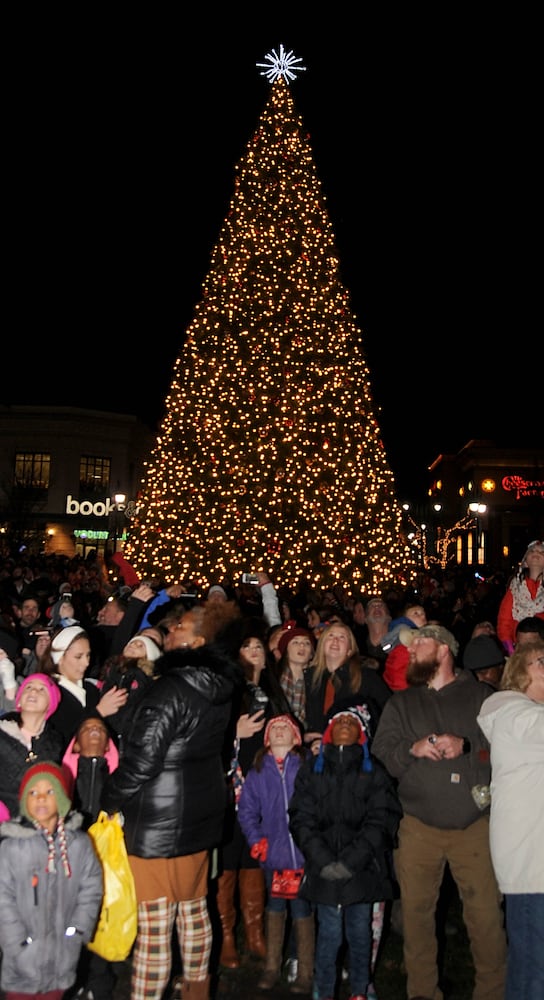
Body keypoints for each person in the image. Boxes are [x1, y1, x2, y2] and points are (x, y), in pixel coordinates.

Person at [101, 599, 244, 1000]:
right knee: (195, 911)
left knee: (154, 926)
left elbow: (141, 761)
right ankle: (197, 993)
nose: (169, 630)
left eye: (178, 626)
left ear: (198, 640)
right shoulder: (219, 686)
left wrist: (106, 801)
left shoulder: (171, 688)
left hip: (157, 823)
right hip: (199, 817)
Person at [372, 623, 507, 1000]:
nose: (412, 652)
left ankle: (493, 993)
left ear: (445, 650)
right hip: (417, 828)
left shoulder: (482, 696)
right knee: (416, 921)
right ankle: (422, 994)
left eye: (420, 645)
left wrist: (467, 746)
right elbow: (383, 753)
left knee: (485, 921)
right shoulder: (402, 702)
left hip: (474, 828)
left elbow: (504, 748)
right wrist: (410, 751)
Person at [289, 706, 401, 1000]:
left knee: (359, 933)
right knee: (329, 933)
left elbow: (382, 819)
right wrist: (323, 860)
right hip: (323, 869)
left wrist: (352, 861)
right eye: (340, 720)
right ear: (328, 730)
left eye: (353, 722)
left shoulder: (374, 772)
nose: (345, 725)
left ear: (362, 734)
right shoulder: (312, 769)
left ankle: (360, 990)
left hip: (362, 870)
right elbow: (301, 817)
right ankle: (323, 990)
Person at [215, 620, 295, 971]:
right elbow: (207, 731)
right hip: (232, 787)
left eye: (259, 647)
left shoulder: (274, 691)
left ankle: (255, 930)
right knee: (230, 859)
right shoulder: (228, 689)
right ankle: (227, 936)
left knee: (254, 857)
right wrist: (235, 730)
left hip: (266, 786)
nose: (254, 652)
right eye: (247, 646)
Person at [0, 760, 103, 1000]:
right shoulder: (12, 846)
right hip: (20, 961)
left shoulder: (79, 844)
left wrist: (77, 930)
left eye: (49, 791)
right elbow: (2, 896)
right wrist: (16, 941)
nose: (41, 798)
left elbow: (91, 889)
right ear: (25, 800)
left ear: (63, 800)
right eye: (33, 792)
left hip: (62, 957)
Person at [477, 639, 544, 999]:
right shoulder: (515, 715)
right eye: (540, 662)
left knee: (528, 964)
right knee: (536, 969)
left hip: (534, 862)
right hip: (533, 864)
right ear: (519, 672)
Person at [237, 714, 313, 994]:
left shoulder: (307, 767)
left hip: (304, 856)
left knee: (303, 910)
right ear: (267, 739)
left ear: (296, 737)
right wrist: (257, 841)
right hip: (274, 857)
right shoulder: (258, 772)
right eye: (275, 728)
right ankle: (271, 966)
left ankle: (305, 971)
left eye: (286, 728)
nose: (280, 731)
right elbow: (246, 811)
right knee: (275, 907)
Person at [63, 715, 122, 1000]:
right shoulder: (63, 779)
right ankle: (73, 981)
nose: (95, 731)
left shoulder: (121, 779)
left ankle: (99, 985)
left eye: (100, 729)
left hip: (107, 863)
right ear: (75, 745)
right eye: (87, 728)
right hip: (70, 862)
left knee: (101, 919)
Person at [304, 621, 391, 753]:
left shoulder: (366, 677)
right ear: (322, 644)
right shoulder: (309, 678)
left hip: (355, 751)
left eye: (342, 637)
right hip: (315, 751)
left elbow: (387, 711)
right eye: (331, 636)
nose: (335, 641)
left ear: (350, 650)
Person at [44, 625, 128, 751]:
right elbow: (60, 741)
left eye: (88, 655)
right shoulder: (48, 692)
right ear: (59, 658)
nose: (86, 663)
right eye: (78, 657)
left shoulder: (90, 689)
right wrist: (99, 712)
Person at [0, 673, 63, 817]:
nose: (33, 691)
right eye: (28, 687)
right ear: (19, 701)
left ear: (50, 704)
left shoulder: (55, 743)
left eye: (42, 689)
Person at [497, 539, 544, 654]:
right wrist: (510, 649)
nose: (536, 553)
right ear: (525, 561)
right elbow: (504, 620)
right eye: (532, 551)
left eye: (541, 552)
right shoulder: (515, 587)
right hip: (519, 648)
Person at [275, 622, 316, 728]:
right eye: (295, 642)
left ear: (312, 653)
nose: (302, 646)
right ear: (286, 650)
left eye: (307, 643)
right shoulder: (274, 677)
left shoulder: (316, 681)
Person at [382, 600, 427, 692]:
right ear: (404, 618)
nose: (422, 616)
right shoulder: (402, 634)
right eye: (416, 613)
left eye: (423, 613)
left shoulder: (422, 634)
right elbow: (397, 670)